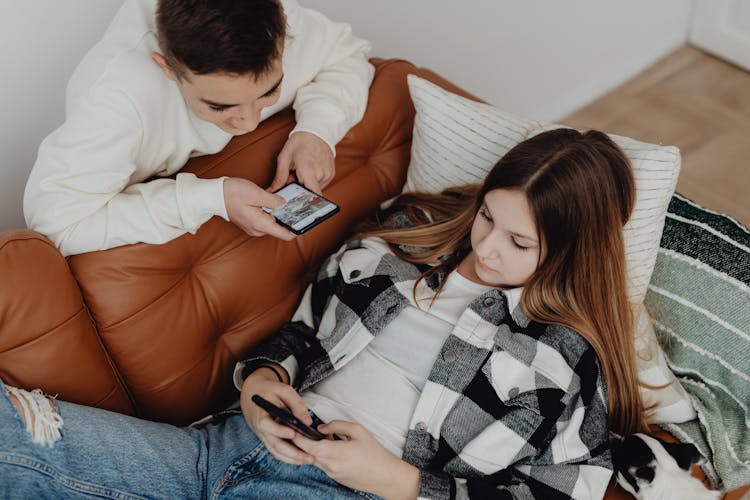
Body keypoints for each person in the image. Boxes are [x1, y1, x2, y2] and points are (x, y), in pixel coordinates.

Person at [1, 128, 647, 498]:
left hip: (340, 492)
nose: (485, 246)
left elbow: (559, 495)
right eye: (487, 216)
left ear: (567, 251)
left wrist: (400, 481)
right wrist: (262, 382)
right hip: (223, 444)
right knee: (12, 432)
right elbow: (306, 334)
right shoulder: (405, 235)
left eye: (518, 243)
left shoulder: (565, 360)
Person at [23, 0, 374, 257]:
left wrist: (316, 131)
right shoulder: (113, 97)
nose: (248, 124)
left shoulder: (279, 19)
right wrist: (211, 198)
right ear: (167, 69)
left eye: (269, 91)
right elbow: (57, 226)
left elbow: (348, 56)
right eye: (220, 106)